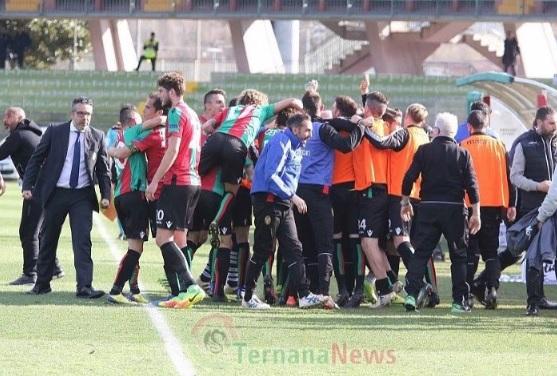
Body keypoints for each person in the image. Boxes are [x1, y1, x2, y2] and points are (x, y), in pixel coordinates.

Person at [22, 97, 111, 298]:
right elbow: (36, 159)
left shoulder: (98, 136)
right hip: (56, 193)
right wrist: (28, 185)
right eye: (80, 113)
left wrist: (106, 195)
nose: (84, 118)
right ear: (72, 114)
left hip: (82, 195)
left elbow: (104, 170)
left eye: (88, 113)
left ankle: (84, 287)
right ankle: (42, 284)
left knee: (82, 240)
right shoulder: (55, 131)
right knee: (47, 238)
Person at [200, 90, 303, 249]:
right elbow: (292, 100)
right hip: (237, 144)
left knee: (196, 175)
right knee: (231, 190)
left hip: (216, 138)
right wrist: (302, 110)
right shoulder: (262, 110)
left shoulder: (230, 110)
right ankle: (217, 220)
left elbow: (206, 126)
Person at [402, 112, 481, 313]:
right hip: (454, 210)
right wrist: (476, 213)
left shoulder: (424, 150)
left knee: (421, 253)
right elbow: (472, 186)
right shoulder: (463, 154)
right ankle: (458, 301)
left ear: (436, 131)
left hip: (428, 207)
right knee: (459, 256)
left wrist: (405, 202)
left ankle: (411, 295)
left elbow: (408, 177)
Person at [242, 113, 323, 309]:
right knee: (264, 248)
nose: (309, 135)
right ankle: (248, 297)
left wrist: (290, 196)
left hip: (282, 202)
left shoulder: (295, 146)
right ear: (295, 130)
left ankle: (304, 295)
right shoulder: (282, 141)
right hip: (269, 200)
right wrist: (293, 196)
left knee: (294, 248)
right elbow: (271, 175)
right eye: (307, 131)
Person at [295, 91, 364, 306]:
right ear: (321, 106)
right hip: (319, 193)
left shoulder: (296, 130)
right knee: (324, 244)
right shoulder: (322, 129)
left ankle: (306, 292)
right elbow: (346, 146)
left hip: (297, 192)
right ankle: (323, 293)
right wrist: (360, 127)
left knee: (305, 245)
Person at [145, 71, 206, 309]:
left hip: (177, 182)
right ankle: (182, 292)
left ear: (171, 92)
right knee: (180, 238)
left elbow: (172, 150)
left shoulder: (176, 113)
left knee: (162, 238)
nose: (160, 96)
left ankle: (190, 285)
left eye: (161, 91)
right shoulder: (192, 114)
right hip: (192, 181)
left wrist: (155, 181)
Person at [0, 107, 64, 285]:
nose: (5, 120)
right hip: (48, 188)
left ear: (19, 118)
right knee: (41, 232)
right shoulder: (30, 134)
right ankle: (54, 267)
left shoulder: (19, 136)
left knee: (28, 231)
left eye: (8, 116)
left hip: (37, 189)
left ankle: (31, 273)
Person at [460, 110, 515, 310]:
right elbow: (510, 177)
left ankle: (466, 295)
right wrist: (511, 205)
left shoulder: (463, 146)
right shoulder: (499, 146)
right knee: (491, 252)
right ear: (486, 124)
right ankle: (491, 290)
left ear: (469, 126)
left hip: (468, 205)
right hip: (493, 205)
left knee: (470, 252)